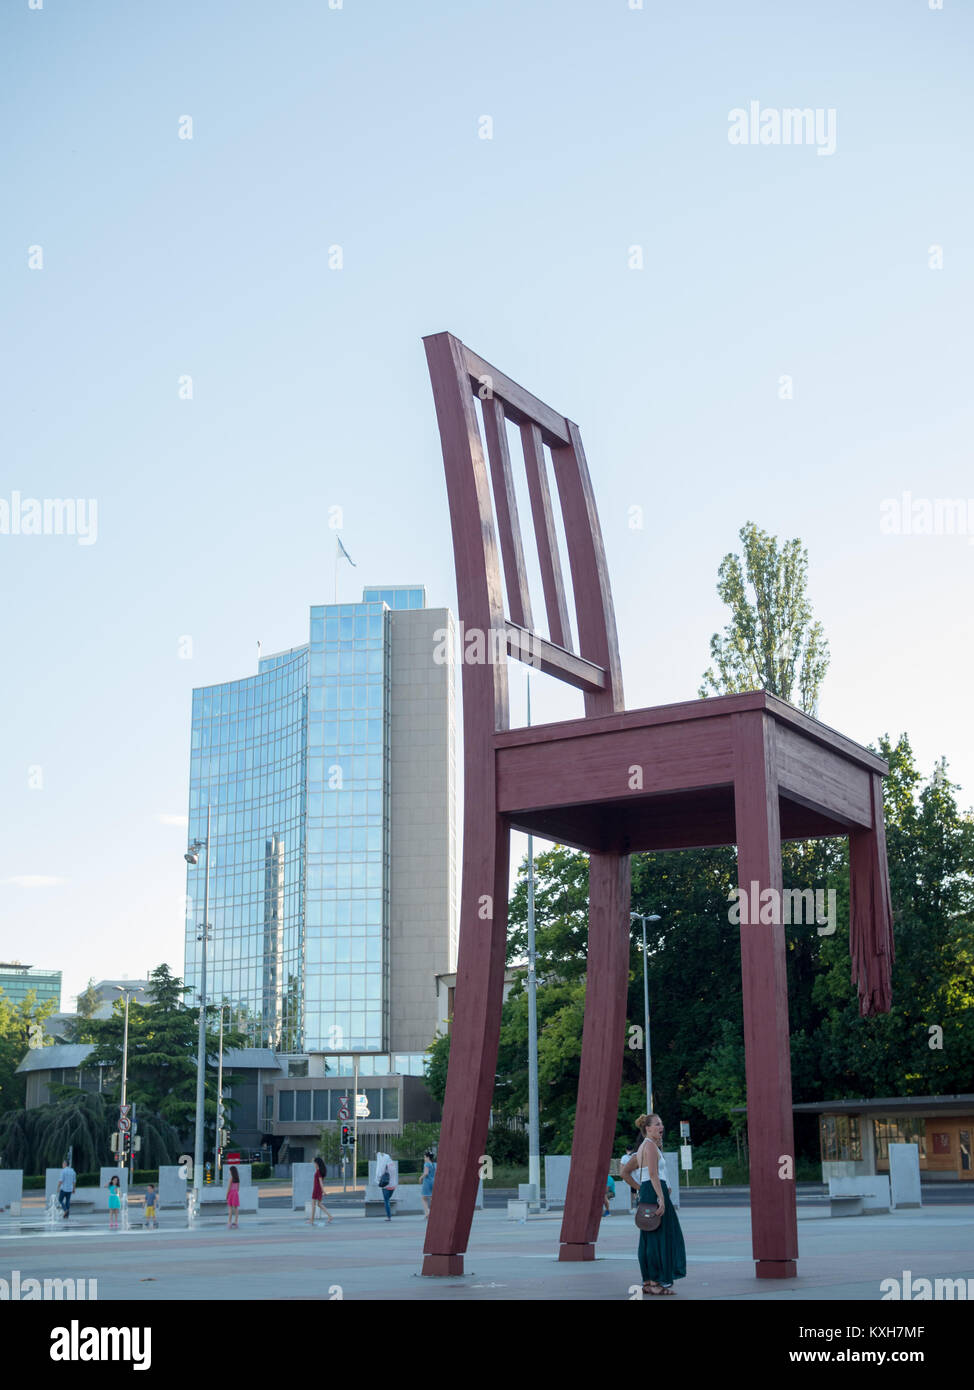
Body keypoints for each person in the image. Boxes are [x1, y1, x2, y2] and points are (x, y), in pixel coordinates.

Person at [623, 1113, 686, 1296]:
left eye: (662, 1124)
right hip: (654, 1192)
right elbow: (652, 1174)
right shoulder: (649, 1146)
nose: (661, 1127)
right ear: (647, 1128)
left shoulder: (648, 1146)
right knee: (660, 1237)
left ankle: (650, 1281)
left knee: (650, 1237)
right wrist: (661, 1197)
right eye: (657, 1124)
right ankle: (656, 1281)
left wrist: (643, 1190)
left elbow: (631, 1173)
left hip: (650, 1191)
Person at [309, 1155, 334, 1226]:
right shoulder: (319, 1171)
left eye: (314, 1163)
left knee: (313, 1205)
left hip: (317, 1189)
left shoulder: (318, 1172)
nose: (314, 1164)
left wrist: (323, 1191)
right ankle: (330, 1216)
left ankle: (312, 1220)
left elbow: (320, 1182)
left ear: (317, 1163)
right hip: (318, 1189)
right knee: (319, 1204)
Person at [374, 1150, 395, 1220]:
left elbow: (380, 1172)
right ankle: (389, 1216)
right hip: (393, 1186)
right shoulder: (392, 1164)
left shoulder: (385, 1164)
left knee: (386, 1201)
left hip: (386, 1186)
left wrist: (378, 1179)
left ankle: (389, 1216)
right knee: (388, 1199)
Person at [420, 1149, 436, 1218]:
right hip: (433, 1181)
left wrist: (420, 1177)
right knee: (431, 1197)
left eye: (425, 1157)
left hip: (427, 1182)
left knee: (424, 1198)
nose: (424, 1158)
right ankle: (430, 1212)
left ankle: (427, 1213)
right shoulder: (433, 1164)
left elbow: (426, 1173)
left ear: (428, 1157)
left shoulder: (426, 1164)